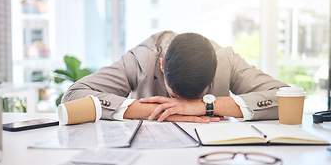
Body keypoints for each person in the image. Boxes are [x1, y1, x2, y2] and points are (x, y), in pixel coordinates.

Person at [62, 30, 289, 123]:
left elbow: (288, 97)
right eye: (175, 95)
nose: (183, 106)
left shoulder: (224, 60)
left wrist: (206, 107)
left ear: (214, 74)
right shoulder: (142, 59)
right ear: (161, 66)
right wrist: (158, 111)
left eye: (199, 97)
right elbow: (74, 95)